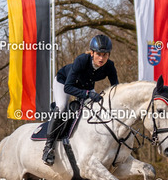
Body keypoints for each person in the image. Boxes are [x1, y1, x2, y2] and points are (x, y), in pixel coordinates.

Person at [43, 34, 119, 166]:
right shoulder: (81, 60)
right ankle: (48, 147)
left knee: (96, 108)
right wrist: (88, 94)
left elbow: (116, 88)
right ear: (92, 53)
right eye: (99, 54)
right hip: (64, 82)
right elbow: (68, 87)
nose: (101, 58)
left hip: (86, 86)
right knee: (62, 107)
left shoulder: (110, 66)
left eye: (105, 55)